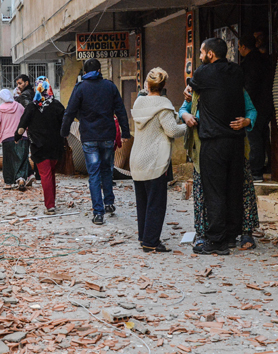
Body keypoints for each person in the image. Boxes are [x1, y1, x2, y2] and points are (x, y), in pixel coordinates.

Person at [181, 87, 259, 250]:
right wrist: (186, 115)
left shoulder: (236, 89)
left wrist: (246, 121)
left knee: (242, 188)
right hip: (204, 151)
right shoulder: (196, 91)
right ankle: (203, 234)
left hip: (234, 150)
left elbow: (251, 110)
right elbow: (183, 109)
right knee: (203, 191)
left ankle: (245, 232)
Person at [188, 38, 246, 255]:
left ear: (210, 54)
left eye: (202, 53)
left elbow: (190, 90)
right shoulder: (237, 71)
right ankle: (231, 235)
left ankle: (217, 241)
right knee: (233, 189)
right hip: (236, 141)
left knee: (215, 192)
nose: (200, 57)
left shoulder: (203, 73)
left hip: (214, 142)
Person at [60, 59, 131, 225]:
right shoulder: (110, 86)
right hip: (107, 136)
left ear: (84, 72)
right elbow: (121, 110)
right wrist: (125, 131)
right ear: (100, 70)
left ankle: (98, 213)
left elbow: (69, 112)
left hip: (89, 138)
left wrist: (64, 132)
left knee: (94, 174)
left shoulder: (80, 88)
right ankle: (109, 203)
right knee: (107, 170)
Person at [130, 69, 187, 252]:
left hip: (137, 158)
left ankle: (143, 237)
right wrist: (188, 126)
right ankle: (151, 242)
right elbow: (172, 130)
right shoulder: (163, 105)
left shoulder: (139, 103)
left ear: (147, 85)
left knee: (143, 202)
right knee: (156, 203)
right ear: (163, 86)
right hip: (155, 159)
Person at [15, 77, 65, 214]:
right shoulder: (56, 105)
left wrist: (17, 137)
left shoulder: (32, 106)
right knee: (51, 173)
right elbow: (65, 121)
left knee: (45, 175)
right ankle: (52, 201)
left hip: (39, 146)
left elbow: (22, 125)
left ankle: (50, 206)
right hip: (56, 145)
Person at [238, 34, 273, 182]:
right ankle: (268, 165)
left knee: (254, 137)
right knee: (264, 135)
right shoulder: (264, 59)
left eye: (239, 46)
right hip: (267, 104)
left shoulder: (249, 63)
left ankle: (256, 171)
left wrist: (245, 105)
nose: (239, 49)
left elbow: (250, 87)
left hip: (255, 106)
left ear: (244, 47)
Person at [0, 89, 32, 189]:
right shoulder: (19, 106)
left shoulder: (0, 109)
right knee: (22, 159)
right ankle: (21, 179)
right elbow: (27, 118)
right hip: (22, 137)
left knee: (8, 161)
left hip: (7, 139)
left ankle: (8, 183)